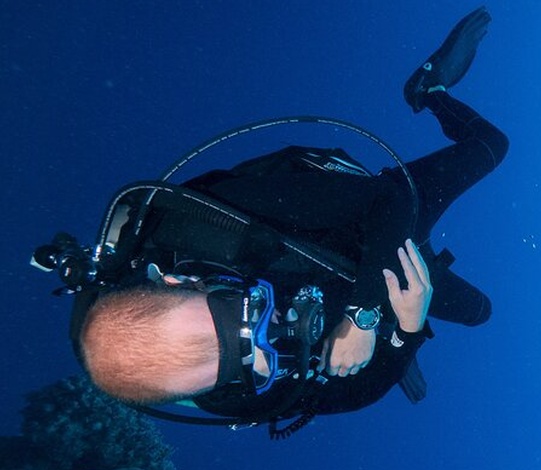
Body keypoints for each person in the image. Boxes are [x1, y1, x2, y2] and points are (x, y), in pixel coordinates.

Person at [58, 6, 507, 428]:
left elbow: (387, 200)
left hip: (362, 223)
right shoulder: (232, 396)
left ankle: (427, 90)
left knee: (491, 146)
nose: (272, 332)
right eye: (249, 364)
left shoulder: (210, 224)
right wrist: (403, 334)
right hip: (382, 295)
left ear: (178, 281)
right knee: (479, 312)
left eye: (245, 311)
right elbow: (352, 394)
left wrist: (363, 316)